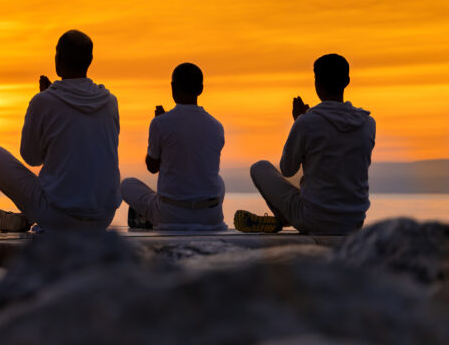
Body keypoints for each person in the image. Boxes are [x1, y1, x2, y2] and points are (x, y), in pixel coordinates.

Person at [0, 30, 120, 232]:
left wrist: (44, 105)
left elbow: (32, 158)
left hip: (58, 216)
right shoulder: (110, 102)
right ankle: (29, 217)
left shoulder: (44, 101)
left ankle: (31, 216)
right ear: (90, 60)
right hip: (103, 218)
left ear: (58, 58)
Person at [236, 53, 375, 234]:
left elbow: (287, 169)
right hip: (354, 222)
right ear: (347, 81)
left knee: (259, 168)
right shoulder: (367, 123)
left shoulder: (307, 123)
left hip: (314, 220)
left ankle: (282, 219)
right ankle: (287, 216)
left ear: (317, 82)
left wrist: (298, 122)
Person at [120, 63, 225, 230]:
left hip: (171, 216)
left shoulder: (160, 123)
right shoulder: (217, 126)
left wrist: (160, 128)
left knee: (126, 184)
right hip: (210, 218)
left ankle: (147, 217)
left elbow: (152, 167)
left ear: (173, 87)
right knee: (219, 181)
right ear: (201, 89)